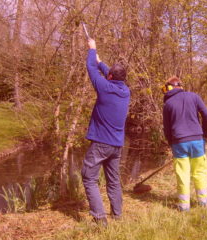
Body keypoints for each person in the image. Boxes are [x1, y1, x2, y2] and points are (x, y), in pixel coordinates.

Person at [81, 39, 130, 226]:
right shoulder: (125, 90)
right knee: (113, 180)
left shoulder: (104, 87)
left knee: (88, 177)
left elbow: (90, 68)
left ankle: (100, 220)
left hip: (101, 143)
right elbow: (110, 74)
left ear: (109, 77)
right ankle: (117, 216)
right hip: (117, 145)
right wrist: (101, 62)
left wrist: (92, 51)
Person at [162, 76, 207, 212]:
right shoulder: (194, 96)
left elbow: (166, 128)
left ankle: (184, 205)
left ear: (169, 87)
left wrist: (170, 143)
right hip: (197, 140)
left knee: (183, 174)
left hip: (179, 142)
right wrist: (204, 132)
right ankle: (203, 201)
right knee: (200, 171)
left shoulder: (168, 104)